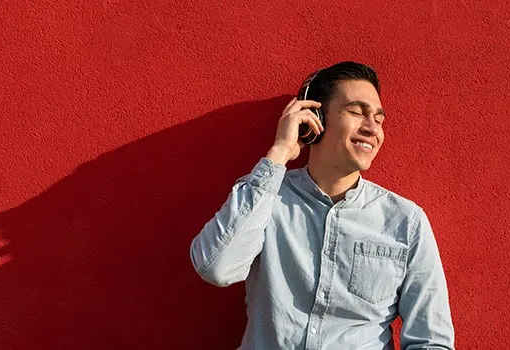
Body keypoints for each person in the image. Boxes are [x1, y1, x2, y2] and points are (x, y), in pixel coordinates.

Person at [189, 61, 454, 349]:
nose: (372, 129)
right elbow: (216, 268)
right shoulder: (266, 198)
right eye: (357, 112)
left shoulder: (405, 221)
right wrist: (279, 152)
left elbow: (431, 340)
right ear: (315, 118)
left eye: (379, 120)